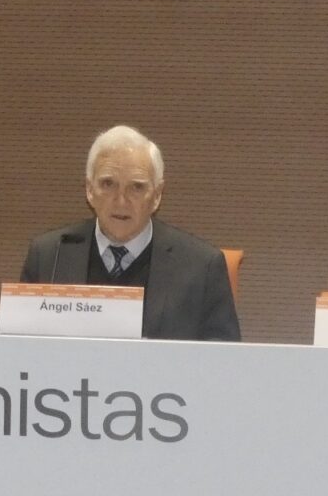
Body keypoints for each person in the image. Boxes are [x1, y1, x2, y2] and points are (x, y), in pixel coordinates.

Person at [19, 125, 238, 341]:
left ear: (157, 195)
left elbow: (223, 359)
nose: (121, 201)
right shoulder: (49, 257)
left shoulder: (201, 268)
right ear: (89, 189)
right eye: (108, 184)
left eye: (136, 187)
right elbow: (18, 346)